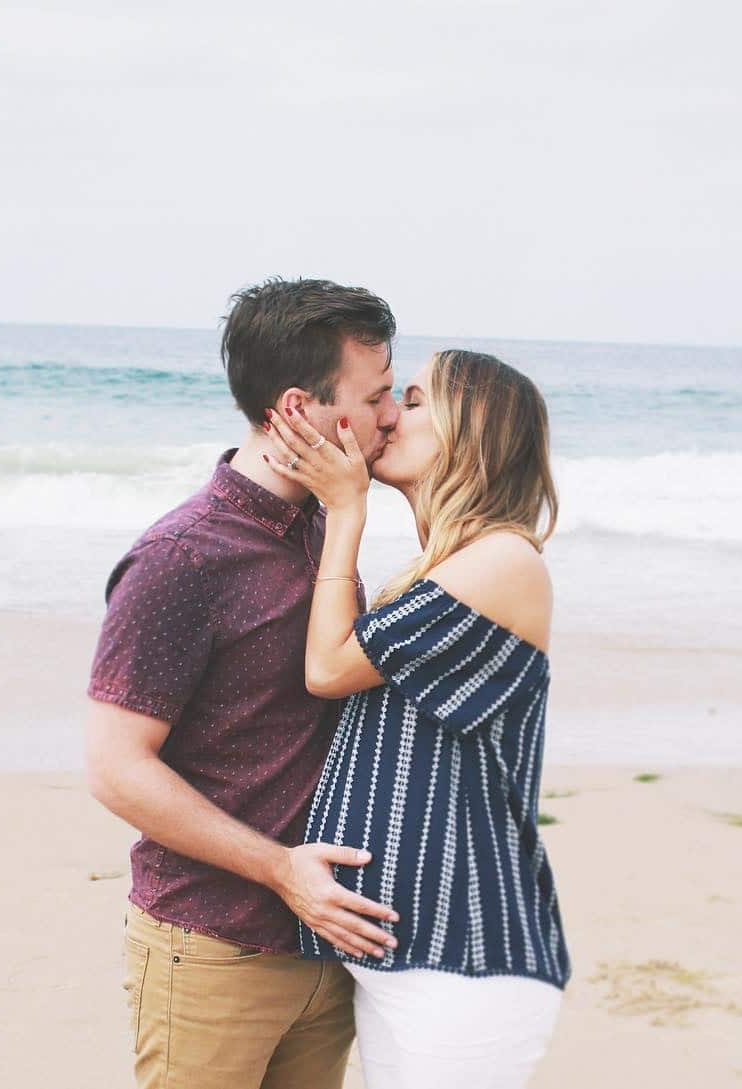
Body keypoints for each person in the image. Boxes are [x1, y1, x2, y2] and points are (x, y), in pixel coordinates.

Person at [85, 278, 406, 1089]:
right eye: (374, 398)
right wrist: (278, 869)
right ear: (298, 409)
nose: (391, 415)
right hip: (212, 947)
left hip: (320, 944)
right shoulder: (184, 556)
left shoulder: (323, 527)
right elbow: (116, 767)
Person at [261, 349, 571, 1089]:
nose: (390, 414)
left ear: (474, 432)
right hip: (406, 961)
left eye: (415, 398)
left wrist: (345, 510)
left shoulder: (503, 561)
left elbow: (329, 667)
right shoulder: (439, 569)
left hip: (465, 963)